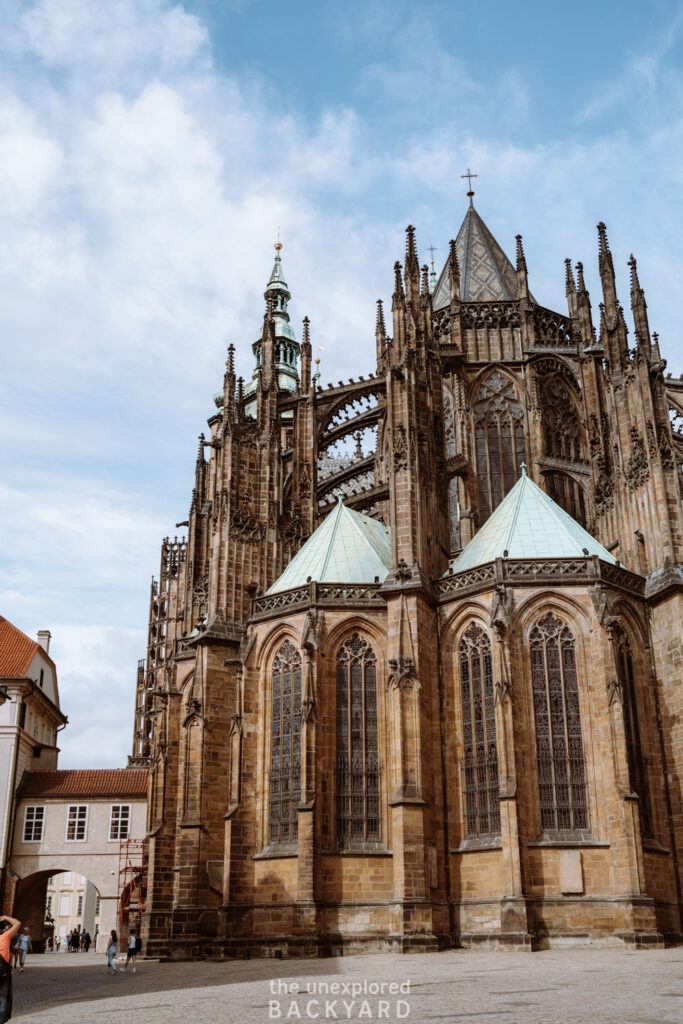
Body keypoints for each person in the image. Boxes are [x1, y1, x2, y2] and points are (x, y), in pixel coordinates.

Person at [0, 914, 21, 1023]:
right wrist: (5, 917)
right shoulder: (5, 937)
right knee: (3, 997)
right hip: (3, 973)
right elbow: (18, 923)